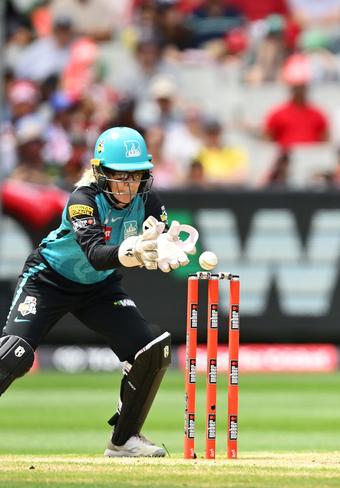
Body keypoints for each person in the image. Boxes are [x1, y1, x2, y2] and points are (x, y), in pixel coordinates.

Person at [1, 126, 197, 457]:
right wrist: (136, 251)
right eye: (120, 176)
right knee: (14, 354)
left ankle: (124, 441)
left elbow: (155, 243)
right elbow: (95, 253)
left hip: (99, 287)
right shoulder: (83, 200)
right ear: (100, 172)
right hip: (49, 280)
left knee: (149, 352)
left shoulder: (149, 202)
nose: (128, 186)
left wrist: (162, 248)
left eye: (135, 176)